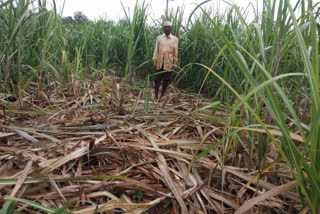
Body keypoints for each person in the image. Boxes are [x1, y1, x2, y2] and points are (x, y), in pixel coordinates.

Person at [152, 21, 178, 101]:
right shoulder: (159, 38)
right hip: (159, 62)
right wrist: (154, 62)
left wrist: (174, 64)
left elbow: (175, 52)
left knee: (166, 81)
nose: (167, 28)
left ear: (171, 28)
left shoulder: (175, 39)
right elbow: (156, 50)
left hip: (168, 63)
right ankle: (156, 95)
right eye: (165, 27)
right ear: (163, 28)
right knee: (157, 80)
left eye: (169, 27)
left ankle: (162, 95)